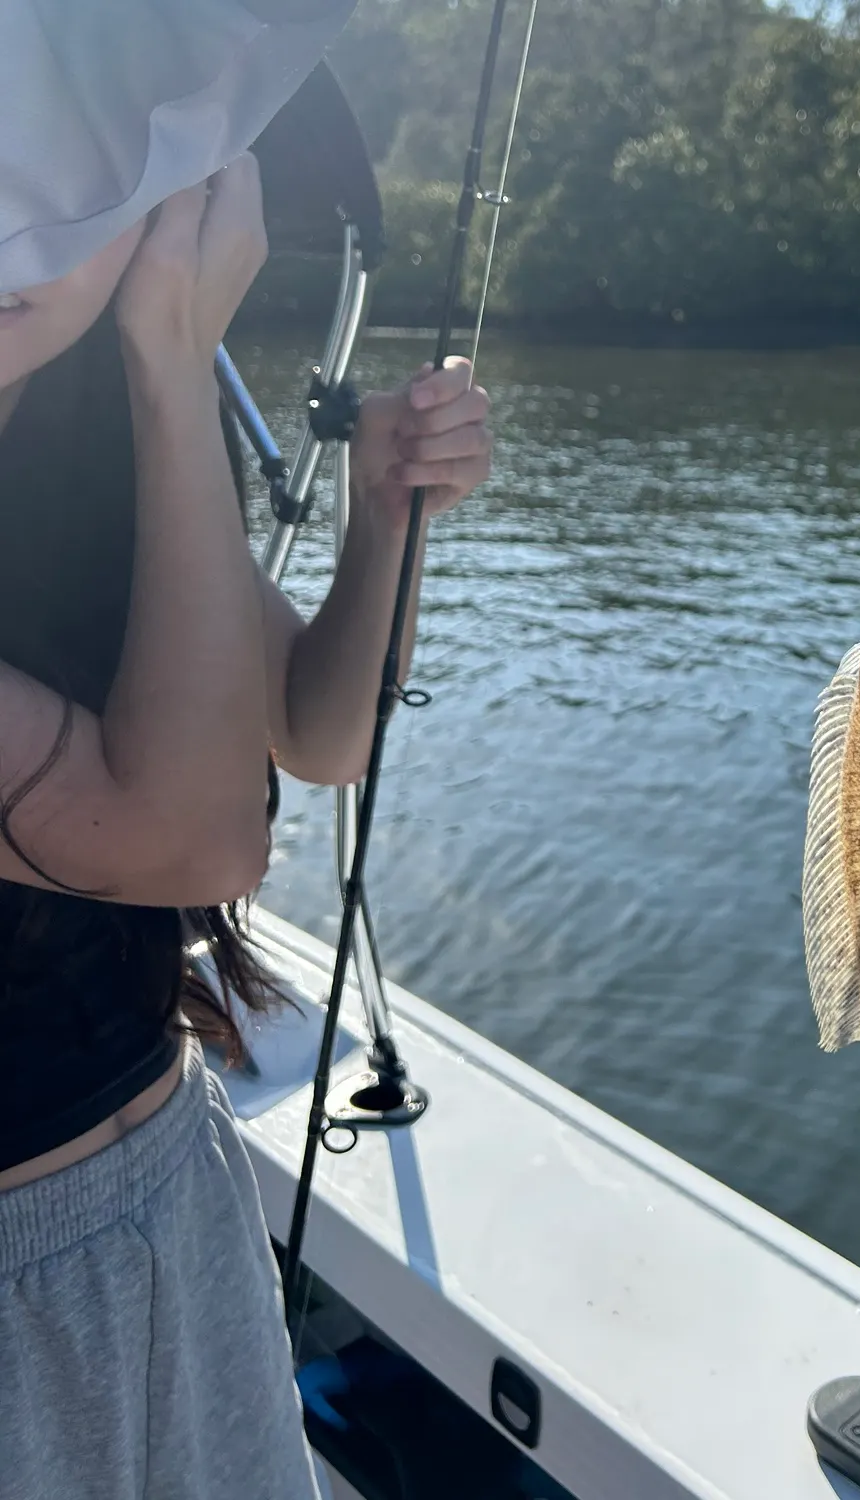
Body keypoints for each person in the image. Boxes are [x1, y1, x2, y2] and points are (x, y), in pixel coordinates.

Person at [0, 15, 492, 1500]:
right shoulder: (139, 375)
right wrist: (168, 359)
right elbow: (200, 837)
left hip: (170, 1178)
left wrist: (381, 517)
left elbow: (315, 730)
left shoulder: (90, 421)